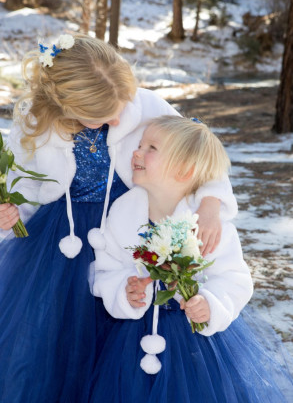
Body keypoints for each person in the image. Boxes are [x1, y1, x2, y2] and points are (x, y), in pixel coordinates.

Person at [0, 34, 236, 403]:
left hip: (131, 232)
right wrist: (10, 215)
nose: (116, 117)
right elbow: (24, 185)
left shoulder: (143, 104)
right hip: (58, 241)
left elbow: (196, 151)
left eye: (119, 107)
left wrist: (209, 204)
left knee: (126, 332)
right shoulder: (36, 121)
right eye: (102, 114)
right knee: (57, 338)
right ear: (66, 105)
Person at [89, 116, 293, 403]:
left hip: (193, 341)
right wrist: (125, 289)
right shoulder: (123, 213)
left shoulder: (207, 227)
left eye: (151, 148)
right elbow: (105, 267)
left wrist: (209, 303)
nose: (137, 152)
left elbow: (235, 278)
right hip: (132, 339)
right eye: (139, 144)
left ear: (184, 170)